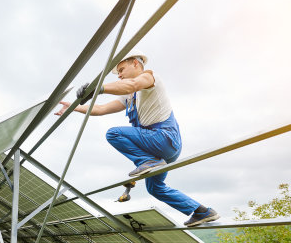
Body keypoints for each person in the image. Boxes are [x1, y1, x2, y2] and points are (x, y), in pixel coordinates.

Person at [56, 50, 219, 227]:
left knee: (114, 133)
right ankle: (202, 211)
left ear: (135, 63)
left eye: (121, 69)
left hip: (164, 137)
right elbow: (101, 109)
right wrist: (73, 108)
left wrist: (99, 88)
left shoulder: (149, 77)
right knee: (155, 189)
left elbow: (132, 84)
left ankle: (148, 161)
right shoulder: (129, 97)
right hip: (159, 150)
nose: (119, 75)